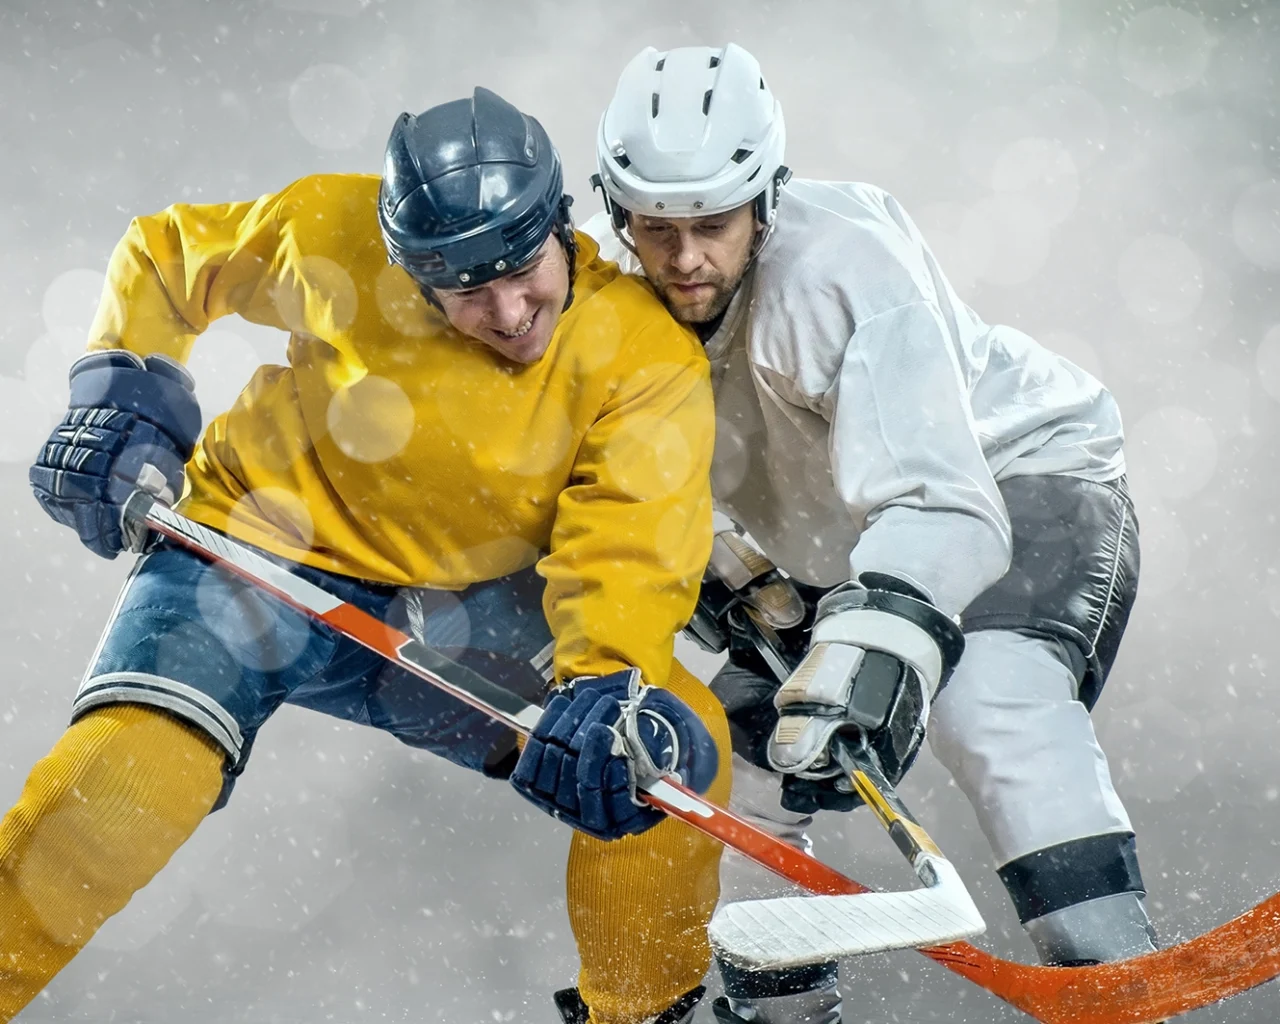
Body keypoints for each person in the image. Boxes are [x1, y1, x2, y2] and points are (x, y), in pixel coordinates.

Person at [11, 86, 731, 1024]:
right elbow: (165, 256)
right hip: (253, 554)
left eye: (526, 267)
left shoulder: (642, 356)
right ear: (411, 268)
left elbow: (628, 540)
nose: (512, 311)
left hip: (455, 614)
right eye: (469, 290)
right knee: (113, 798)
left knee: (661, 759)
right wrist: (121, 392)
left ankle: (636, 1010)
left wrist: (608, 675)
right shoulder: (329, 231)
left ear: (560, 221)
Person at [582, 43, 1156, 1024]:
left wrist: (876, 641)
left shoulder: (842, 270)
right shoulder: (583, 296)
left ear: (765, 201)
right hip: (826, 550)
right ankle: (784, 1013)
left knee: (988, 699)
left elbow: (942, 501)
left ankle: (1112, 980)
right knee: (741, 771)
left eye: (711, 225)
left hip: (1014, 483)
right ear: (614, 209)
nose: (682, 260)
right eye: (655, 228)